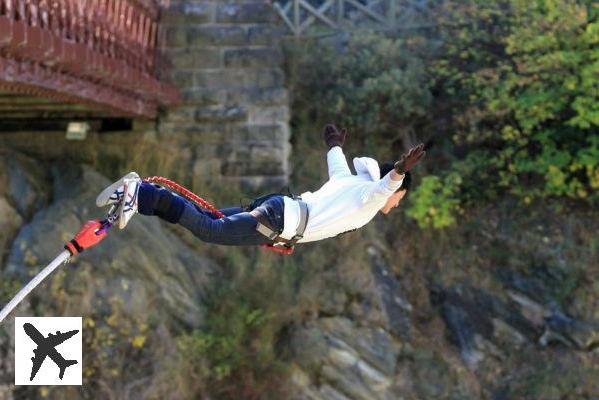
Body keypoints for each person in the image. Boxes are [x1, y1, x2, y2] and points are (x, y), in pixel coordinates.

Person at [96, 124, 425, 249]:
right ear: (394, 190)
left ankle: (138, 198)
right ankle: (144, 193)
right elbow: (383, 190)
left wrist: (334, 144)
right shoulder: (370, 196)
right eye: (400, 199)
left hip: (282, 211)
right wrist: (399, 171)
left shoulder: (351, 182)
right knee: (211, 230)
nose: (395, 205)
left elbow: (337, 161)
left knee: (205, 216)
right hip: (280, 219)